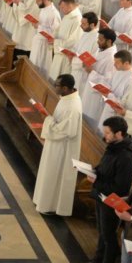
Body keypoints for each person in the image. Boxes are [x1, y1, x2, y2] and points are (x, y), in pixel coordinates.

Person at [75, 116, 132, 263]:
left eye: (108, 133)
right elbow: (105, 166)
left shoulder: (126, 156)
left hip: (111, 202)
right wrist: (94, 170)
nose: (105, 136)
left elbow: (121, 187)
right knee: (102, 233)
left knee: (109, 238)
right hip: (101, 196)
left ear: (119, 133)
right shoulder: (114, 147)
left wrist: (97, 181)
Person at [32, 75, 82, 217]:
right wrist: (49, 119)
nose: (55, 87)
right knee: (48, 172)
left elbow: (68, 131)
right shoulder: (67, 98)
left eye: (57, 85)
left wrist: (47, 120)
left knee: (54, 175)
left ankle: (50, 205)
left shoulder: (73, 106)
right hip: (55, 144)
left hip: (62, 149)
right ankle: (42, 200)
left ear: (65, 88)